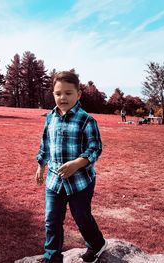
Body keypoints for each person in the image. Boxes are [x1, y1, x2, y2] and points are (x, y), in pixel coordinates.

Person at [35, 71, 107, 263]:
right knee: (52, 220)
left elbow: (95, 148)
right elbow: (46, 144)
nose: (63, 97)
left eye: (68, 93)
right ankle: (52, 256)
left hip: (80, 182)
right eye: (58, 93)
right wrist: (41, 165)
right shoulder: (50, 118)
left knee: (81, 217)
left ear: (78, 94)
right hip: (54, 180)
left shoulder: (86, 120)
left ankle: (97, 244)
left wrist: (77, 163)